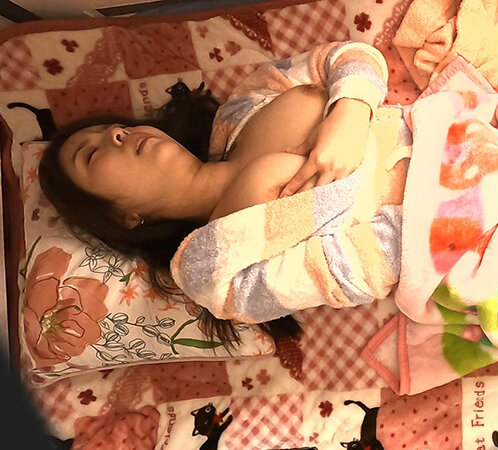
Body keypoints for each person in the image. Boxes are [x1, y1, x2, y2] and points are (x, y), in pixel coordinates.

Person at [38, 41, 391, 346]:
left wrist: (351, 113)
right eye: (91, 154)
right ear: (122, 217)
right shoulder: (213, 269)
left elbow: (349, 55)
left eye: (115, 127)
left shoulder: (241, 108)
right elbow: (349, 274)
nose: (117, 133)